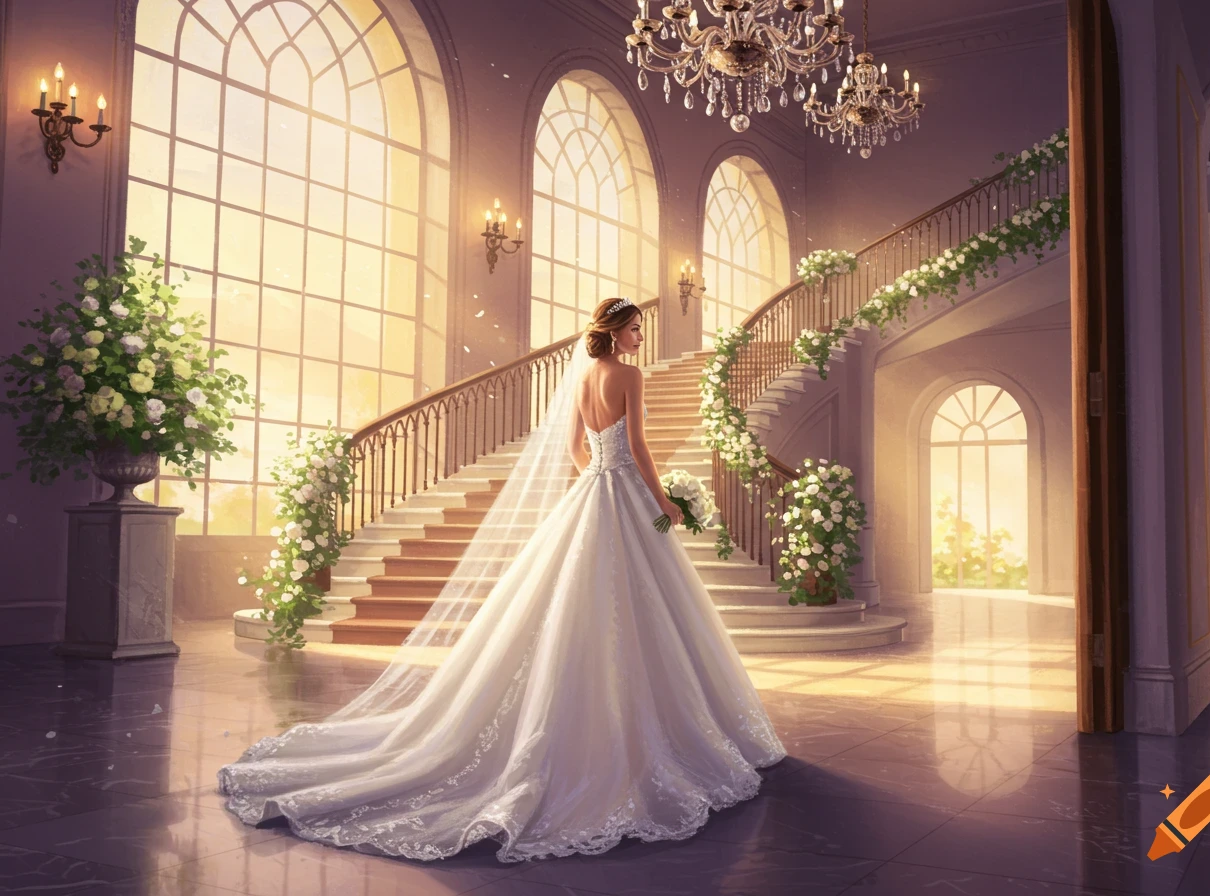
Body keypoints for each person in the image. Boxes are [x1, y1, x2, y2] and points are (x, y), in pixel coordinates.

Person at [217, 297, 786, 863]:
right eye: (635, 329)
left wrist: (598, 482)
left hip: (590, 494)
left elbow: (573, 448)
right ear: (615, 333)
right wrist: (663, 503)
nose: (641, 338)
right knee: (639, 609)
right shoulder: (628, 375)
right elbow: (637, 447)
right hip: (624, 497)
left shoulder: (584, 374)